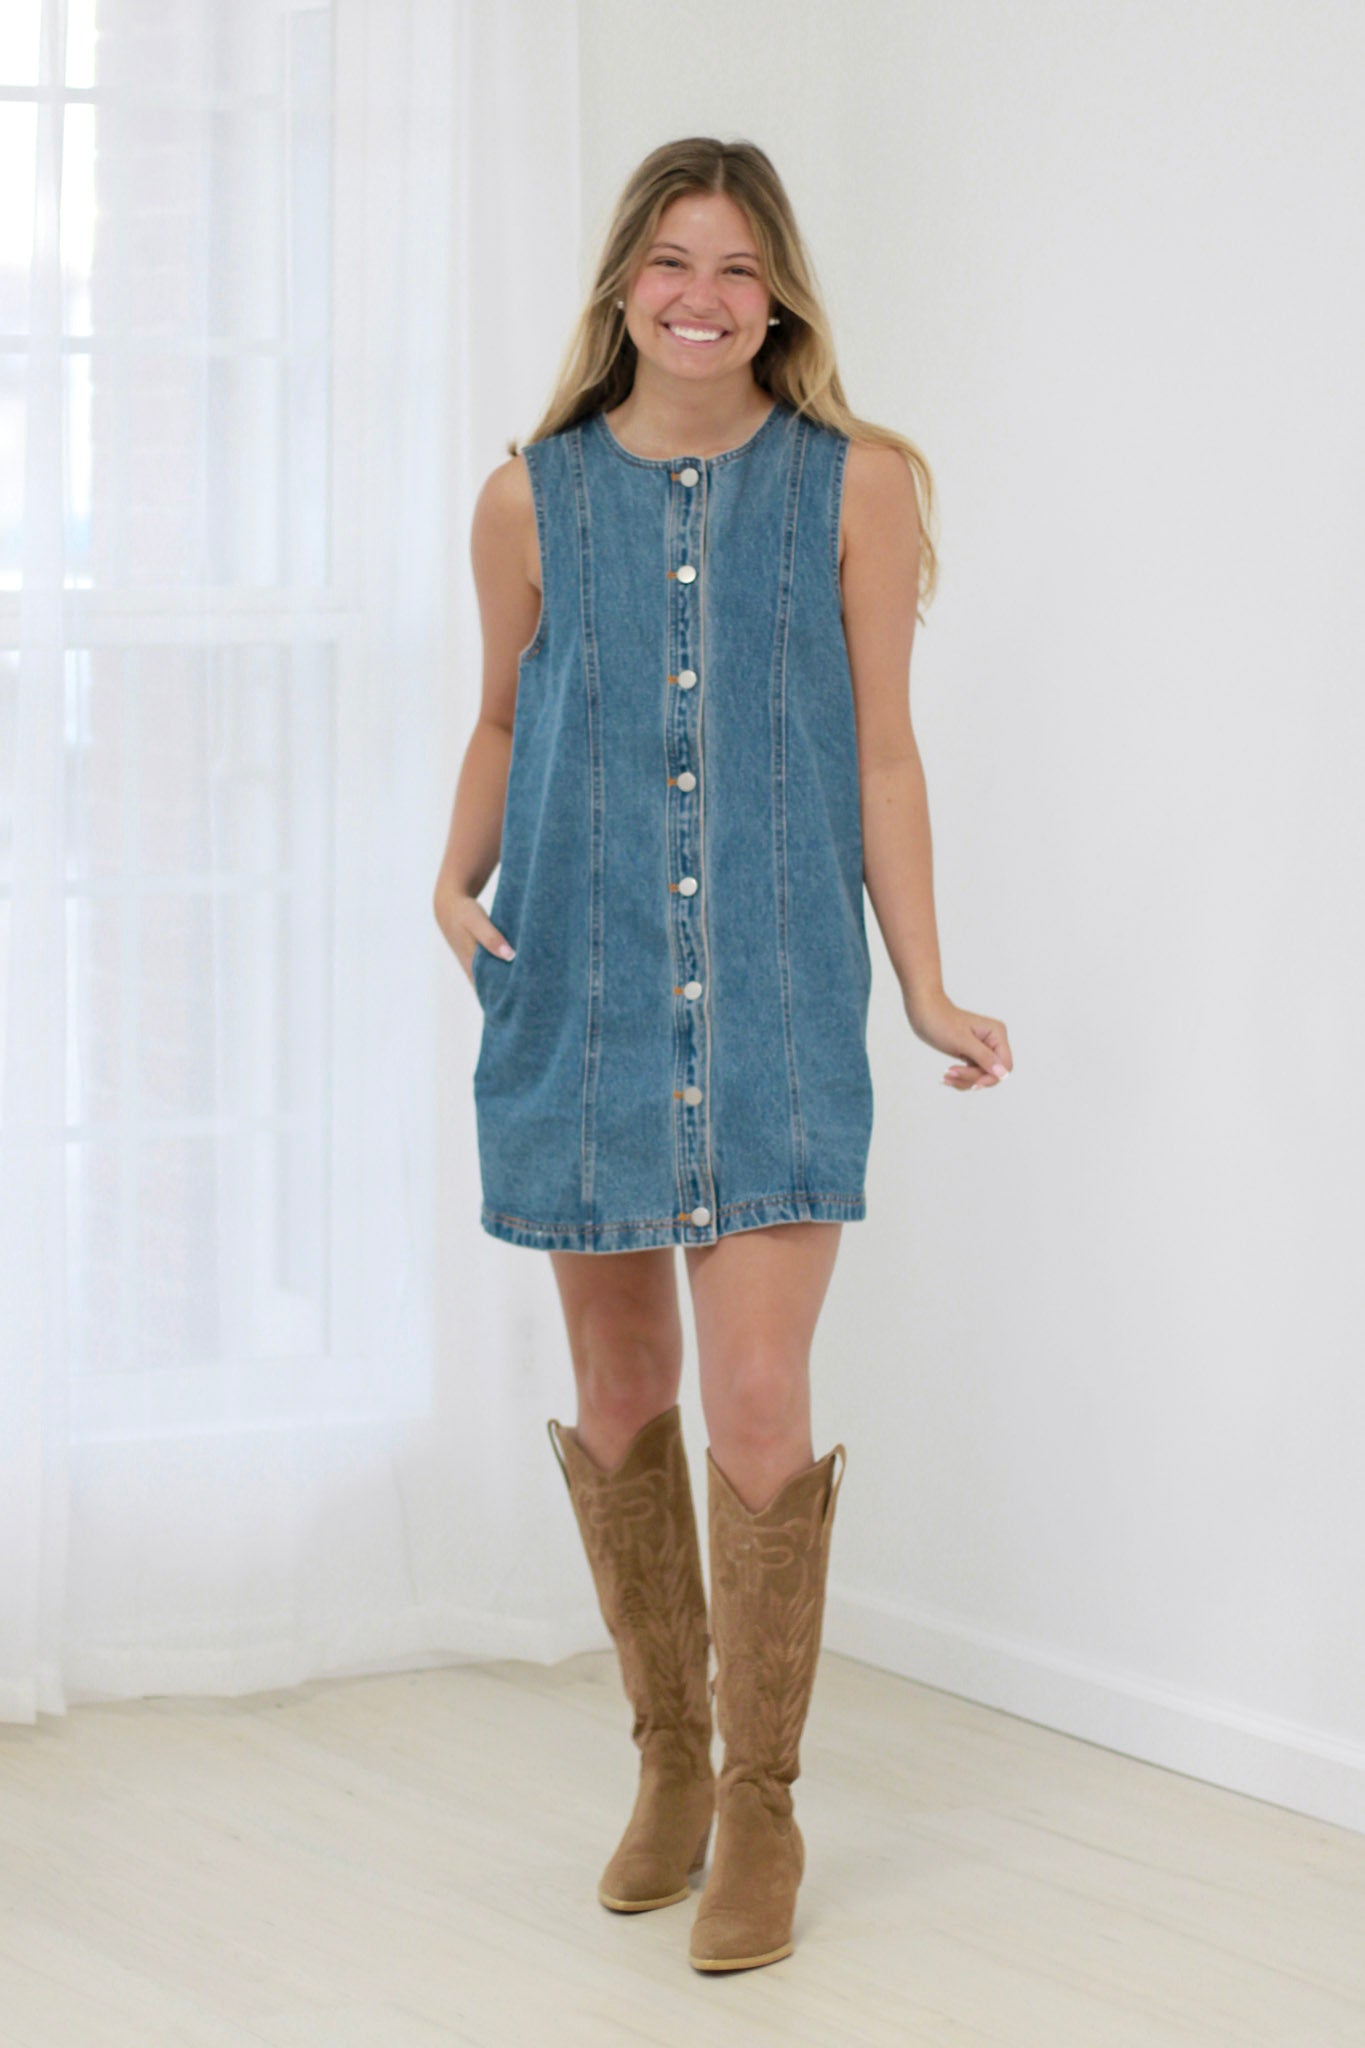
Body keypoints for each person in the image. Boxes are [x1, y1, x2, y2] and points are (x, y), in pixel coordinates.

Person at [432, 137, 1013, 1974]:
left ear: (779, 298)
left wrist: (922, 984)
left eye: (738, 267)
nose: (703, 296)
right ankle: (668, 1766)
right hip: (581, 992)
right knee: (619, 1390)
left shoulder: (857, 485)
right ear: (624, 284)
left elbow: (883, 751)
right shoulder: (525, 498)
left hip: (771, 998)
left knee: (759, 1401)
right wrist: (450, 879)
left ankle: (761, 1802)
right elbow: (502, 717)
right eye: (673, 262)